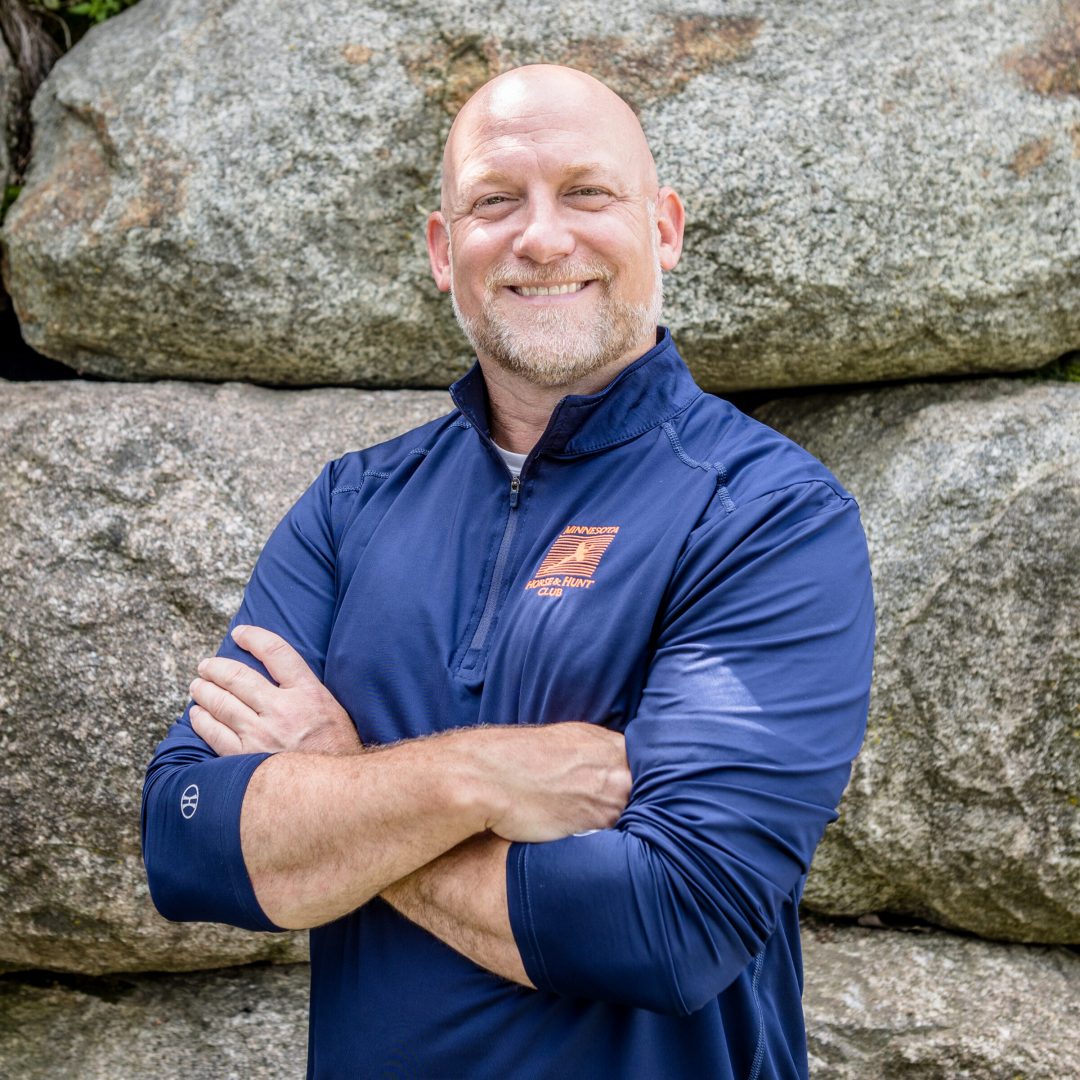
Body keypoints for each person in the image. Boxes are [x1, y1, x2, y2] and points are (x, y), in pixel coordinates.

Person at [142, 64, 874, 1079]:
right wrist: (470, 778)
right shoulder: (352, 508)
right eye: (496, 201)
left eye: (587, 192)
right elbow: (187, 846)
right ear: (445, 252)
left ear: (663, 228)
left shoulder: (764, 514)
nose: (540, 236)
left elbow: (674, 922)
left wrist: (340, 794)